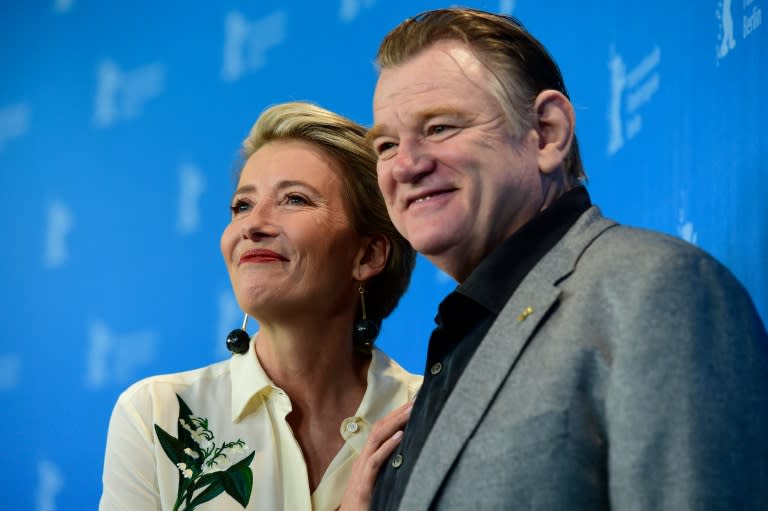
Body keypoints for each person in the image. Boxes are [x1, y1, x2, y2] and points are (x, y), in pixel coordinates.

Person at [366, 8, 768, 510]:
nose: (405, 165)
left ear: (547, 132)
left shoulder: (654, 290)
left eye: (441, 127)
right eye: (385, 144)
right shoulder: (458, 342)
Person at [100, 102, 421, 511]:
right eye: (242, 206)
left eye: (294, 199)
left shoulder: (428, 415)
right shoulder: (157, 414)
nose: (253, 226)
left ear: (368, 255)